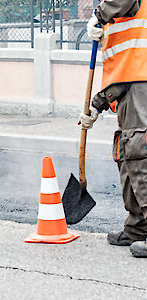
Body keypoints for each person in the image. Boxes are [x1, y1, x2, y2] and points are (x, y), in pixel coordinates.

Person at [80, 0, 147, 257]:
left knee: (140, 153)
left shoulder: (111, 6)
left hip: (141, 80)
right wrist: (98, 104)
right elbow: (123, 70)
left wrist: (99, 15)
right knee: (129, 154)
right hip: (132, 81)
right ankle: (138, 227)